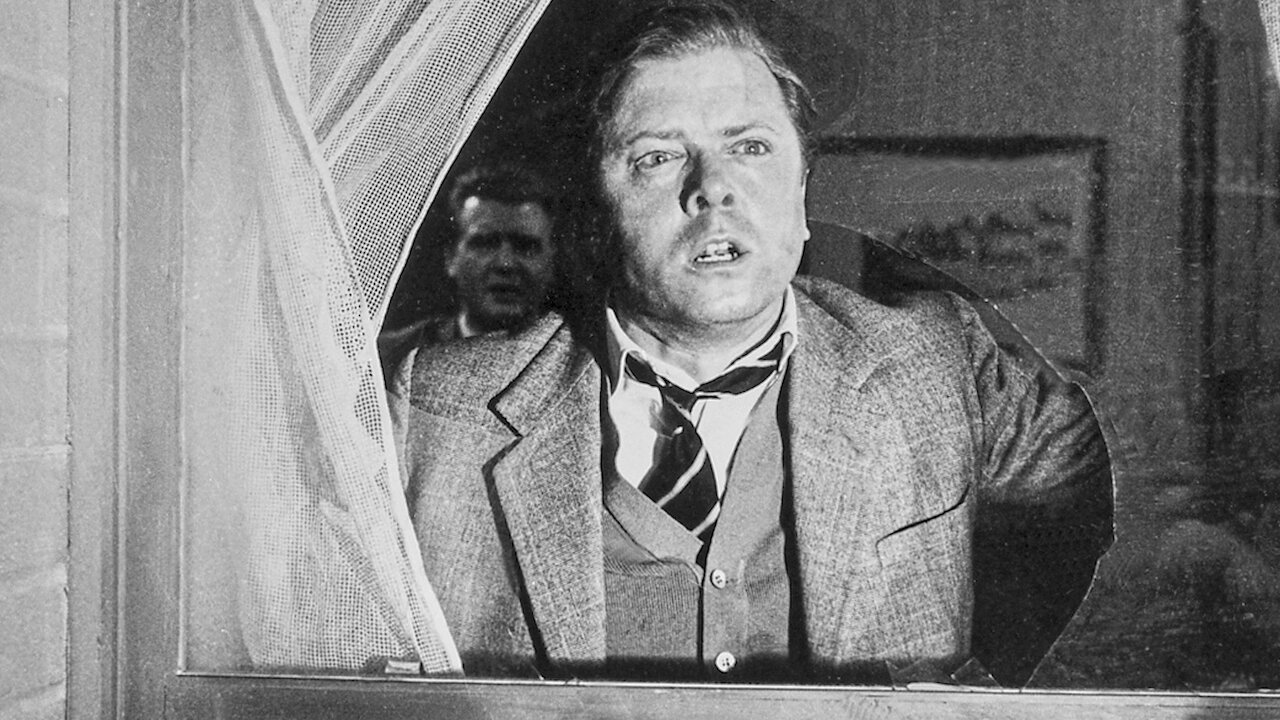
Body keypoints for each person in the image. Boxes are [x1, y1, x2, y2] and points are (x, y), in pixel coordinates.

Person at [390, 0, 1113, 686]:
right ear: (594, 212)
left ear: (801, 193)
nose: (713, 188)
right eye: (657, 157)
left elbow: (1134, 496)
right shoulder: (435, 412)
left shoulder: (939, 363)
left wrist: (990, 697)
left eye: (751, 147)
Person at [378, 161, 557, 378]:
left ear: (551, 259)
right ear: (451, 258)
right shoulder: (386, 358)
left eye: (525, 246)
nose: (505, 264)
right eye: (485, 243)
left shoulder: (580, 367)